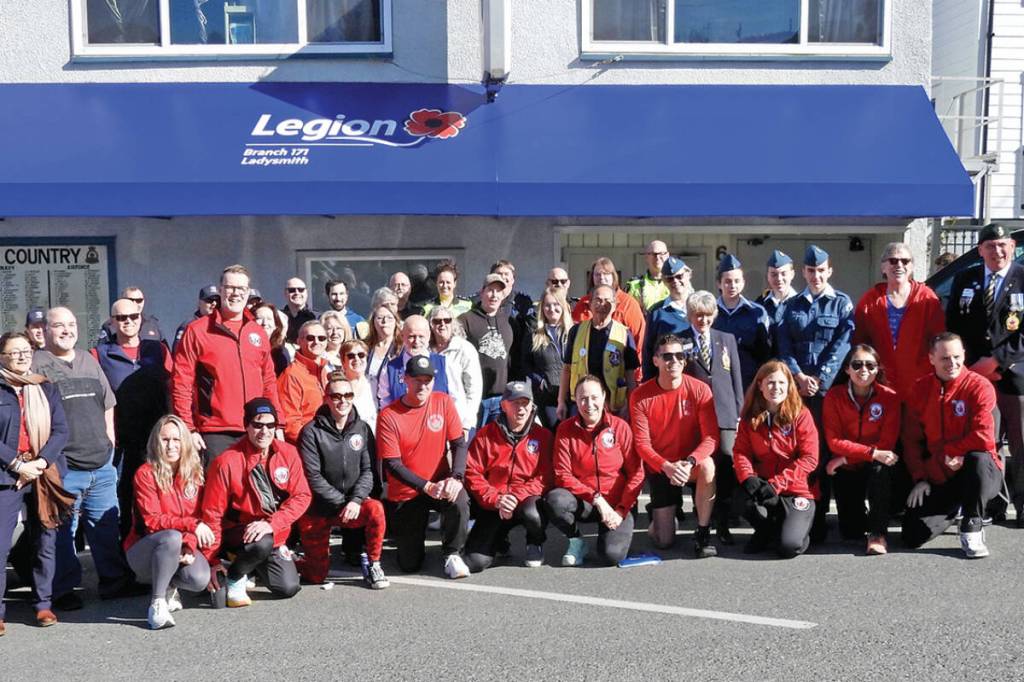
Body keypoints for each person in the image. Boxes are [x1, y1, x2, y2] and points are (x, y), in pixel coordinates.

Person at [33, 307, 138, 609]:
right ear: (46, 330)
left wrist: (109, 443)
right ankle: (63, 589)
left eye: (71, 324)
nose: (66, 330)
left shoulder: (88, 360)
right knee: (63, 532)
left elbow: (108, 405)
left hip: (101, 463)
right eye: (59, 326)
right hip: (64, 465)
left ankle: (115, 583)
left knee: (106, 526)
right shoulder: (38, 364)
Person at [945, 223, 1024, 525]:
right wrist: (972, 366)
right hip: (976, 376)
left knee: (1020, 443)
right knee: (987, 443)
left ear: (1012, 247)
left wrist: (996, 361)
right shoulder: (965, 278)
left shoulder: (1022, 278)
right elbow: (953, 324)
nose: (997, 251)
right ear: (980, 250)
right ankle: (993, 504)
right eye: (990, 246)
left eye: (1003, 245)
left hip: (1015, 376)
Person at [776, 244, 854, 542]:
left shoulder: (842, 304)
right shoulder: (791, 305)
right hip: (797, 393)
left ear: (829, 271)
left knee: (822, 453)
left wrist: (819, 380)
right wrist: (797, 376)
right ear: (804, 272)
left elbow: (843, 345)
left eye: (821, 270)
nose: (816, 276)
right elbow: (783, 346)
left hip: (826, 394)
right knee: (796, 451)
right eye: (811, 271)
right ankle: (798, 510)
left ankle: (820, 517)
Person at [901, 333, 1004, 557]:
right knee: (911, 535)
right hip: (941, 472)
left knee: (977, 457)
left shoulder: (979, 386)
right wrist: (920, 478)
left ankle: (972, 525)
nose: (952, 363)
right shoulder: (920, 389)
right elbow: (910, 440)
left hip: (979, 471)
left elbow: (983, 437)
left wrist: (954, 452)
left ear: (964, 355)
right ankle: (957, 506)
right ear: (931, 359)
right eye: (945, 358)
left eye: (957, 357)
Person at [201, 398, 311, 606]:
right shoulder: (226, 462)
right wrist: (211, 560)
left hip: (272, 530)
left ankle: (248, 565)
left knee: (288, 587)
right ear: (246, 426)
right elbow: (212, 514)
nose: (264, 431)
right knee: (261, 543)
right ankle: (235, 575)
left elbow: (302, 496)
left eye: (270, 425)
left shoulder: (288, 453)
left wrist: (272, 523)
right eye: (258, 425)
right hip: (237, 532)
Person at [172, 264, 283, 463]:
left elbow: (268, 382)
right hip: (214, 433)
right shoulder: (197, 331)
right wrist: (188, 428)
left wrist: (278, 424)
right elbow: (182, 383)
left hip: (256, 429)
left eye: (241, 289)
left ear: (248, 292)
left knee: (255, 493)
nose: (235, 293)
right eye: (230, 287)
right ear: (220, 290)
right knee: (217, 493)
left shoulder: (256, 332)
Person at [376, 356, 471, 577]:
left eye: (427, 380)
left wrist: (456, 477)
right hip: (407, 491)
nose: (423, 385)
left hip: (439, 483)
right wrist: (425, 486)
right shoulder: (388, 415)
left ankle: (452, 553)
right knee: (409, 564)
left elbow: (459, 443)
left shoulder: (443, 402)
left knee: (459, 498)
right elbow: (392, 464)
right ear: (404, 380)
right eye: (416, 380)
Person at [0, 331, 68, 633]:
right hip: (6, 475)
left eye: (26, 350)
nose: (21, 356)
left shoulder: (45, 387)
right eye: (14, 352)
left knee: (45, 541)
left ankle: (43, 605)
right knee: (1, 545)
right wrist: (17, 465)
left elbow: (61, 430)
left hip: (43, 474)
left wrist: (40, 463)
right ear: (1, 357)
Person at [630, 335, 720, 556]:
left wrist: (690, 462)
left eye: (680, 356)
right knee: (663, 541)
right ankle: (660, 516)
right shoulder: (640, 396)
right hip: (662, 467)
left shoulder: (700, 390)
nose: (674, 361)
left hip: (690, 464)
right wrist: (667, 466)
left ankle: (703, 531)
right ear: (655, 360)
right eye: (667, 356)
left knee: (708, 465)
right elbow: (642, 444)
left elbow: (711, 438)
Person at [296, 375, 388, 589]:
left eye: (348, 395)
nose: (343, 401)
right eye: (336, 396)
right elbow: (313, 477)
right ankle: (289, 561)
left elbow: (368, 470)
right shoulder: (310, 432)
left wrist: (355, 500)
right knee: (316, 576)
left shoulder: (362, 428)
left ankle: (373, 563)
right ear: (326, 398)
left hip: (351, 506)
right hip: (318, 509)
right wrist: (342, 502)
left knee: (376, 509)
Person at [92, 297, 173, 540]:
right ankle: (126, 554)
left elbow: (171, 388)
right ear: (112, 322)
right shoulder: (100, 354)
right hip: (123, 442)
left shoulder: (157, 349)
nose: (127, 322)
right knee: (123, 498)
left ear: (141, 318)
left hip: (157, 439)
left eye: (133, 317)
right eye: (121, 318)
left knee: (161, 496)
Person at [125, 415, 213, 629]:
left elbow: (200, 516)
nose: (171, 445)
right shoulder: (145, 474)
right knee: (171, 537)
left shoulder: (194, 473)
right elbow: (152, 521)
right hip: (144, 548)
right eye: (165, 440)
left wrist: (190, 544)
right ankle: (157, 603)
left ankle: (170, 584)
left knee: (199, 579)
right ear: (156, 442)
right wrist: (190, 528)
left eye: (177, 439)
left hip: (180, 543)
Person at [546, 375, 643, 566]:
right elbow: (562, 474)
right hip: (588, 503)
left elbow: (637, 473)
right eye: (582, 398)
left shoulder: (620, 427)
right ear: (575, 400)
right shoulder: (565, 429)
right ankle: (576, 540)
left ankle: (615, 533)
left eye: (594, 397)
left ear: (604, 397)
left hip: (617, 505)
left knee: (611, 556)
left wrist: (622, 510)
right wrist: (596, 499)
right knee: (555, 500)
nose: (588, 404)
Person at [464, 381, 553, 571]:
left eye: (525, 403)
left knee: (533, 512)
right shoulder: (485, 435)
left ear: (532, 406)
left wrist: (515, 496)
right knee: (475, 562)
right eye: (515, 403)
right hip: (494, 504)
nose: (521, 409)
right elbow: (472, 473)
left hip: (525, 501)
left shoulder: (543, 436)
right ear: (503, 405)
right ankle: (500, 542)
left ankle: (534, 543)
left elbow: (546, 476)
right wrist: (496, 499)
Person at [733, 361, 819, 559]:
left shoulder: (802, 415)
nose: (776, 388)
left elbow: (810, 458)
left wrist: (777, 484)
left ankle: (794, 529)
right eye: (770, 383)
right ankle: (766, 531)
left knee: (789, 547)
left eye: (781, 383)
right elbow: (740, 452)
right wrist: (748, 477)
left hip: (794, 489)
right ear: (760, 385)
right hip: (764, 487)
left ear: (789, 386)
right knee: (739, 498)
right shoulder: (750, 417)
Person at [822, 345, 901, 555]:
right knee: (851, 532)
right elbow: (834, 441)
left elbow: (887, 443)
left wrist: (847, 459)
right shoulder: (833, 396)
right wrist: (864, 455)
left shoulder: (890, 397)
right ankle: (863, 518)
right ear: (847, 369)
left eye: (870, 365)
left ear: (877, 369)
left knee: (881, 467)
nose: (863, 370)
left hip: (872, 464)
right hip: (850, 466)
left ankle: (878, 534)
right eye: (857, 365)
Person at [679, 292, 744, 543]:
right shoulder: (682, 341)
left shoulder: (725, 339)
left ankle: (724, 522)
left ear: (714, 315)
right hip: (696, 415)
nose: (702, 320)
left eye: (707, 315)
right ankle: (702, 519)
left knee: (726, 465)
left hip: (726, 414)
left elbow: (736, 378)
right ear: (690, 316)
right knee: (701, 466)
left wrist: (738, 413)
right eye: (698, 315)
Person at [853, 243, 944, 400]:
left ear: (912, 266)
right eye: (893, 261)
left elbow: (938, 340)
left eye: (905, 261)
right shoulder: (870, 301)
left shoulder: (927, 298)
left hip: (919, 383)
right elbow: (860, 343)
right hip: (881, 383)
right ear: (883, 267)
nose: (899, 265)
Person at [557, 285, 639, 420]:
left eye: (608, 300)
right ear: (590, 303)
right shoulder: (576, 331)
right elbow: (567, 369)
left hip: (613, 406)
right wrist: (561, 401)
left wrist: (629, 404)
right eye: (598, 300)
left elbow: (630, 375)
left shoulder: (624, 333)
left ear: (615, 305)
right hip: (581, 404)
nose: (602, 304)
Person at [460, 274, 514, 427]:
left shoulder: (508, 321)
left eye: (498, 291)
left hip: (501, 398)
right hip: (475, 398)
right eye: (490, 290)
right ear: (482, 292)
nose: (494, 295)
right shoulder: (465, 320)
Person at [714, 254, 771, 391]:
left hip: (749, 381)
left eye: (736, 281)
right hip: (718, 381)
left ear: (743, 283)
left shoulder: (757, 312)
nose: (732, 285)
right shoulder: (710, 312)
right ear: (719, 283)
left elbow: (764, 352)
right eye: (727, 281)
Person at [572, 257, 647, 351]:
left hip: (620, 362)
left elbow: (640, 340)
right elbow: (574, 337)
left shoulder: (628, 304)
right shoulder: (583, 303)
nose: (601, 278)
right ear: (592, 278)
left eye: (606, 274)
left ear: (613, 276)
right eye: (597, 274)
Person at [428, 306, 482, 435]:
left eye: (447, 320)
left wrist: (467, 422)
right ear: (430, 324)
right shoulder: (425, 349)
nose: (442, 324)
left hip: (458, 417)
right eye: (436, 321)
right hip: (429, 417)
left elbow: (474, 388)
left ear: (453, 323)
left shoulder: (464, 348)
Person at [377, 315, 449, 408]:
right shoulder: (390, 369)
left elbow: (456, 400)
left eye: (421, 336)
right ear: (402, 336)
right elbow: (384, 401)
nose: (416, 341)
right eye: (411, 336)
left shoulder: (444, 364)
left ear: (429, 336)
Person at [523, 288, 571, 428]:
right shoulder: (534, 335)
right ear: (542, 308)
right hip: (547, 397)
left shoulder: (574, 332)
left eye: (556, 304)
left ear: (563, 306)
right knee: (552, 433)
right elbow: (525, 363)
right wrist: (540, 381)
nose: (552, 309)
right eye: (547, 305)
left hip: (572, 395)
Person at [277, 320, 329, 445]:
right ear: (299, 341)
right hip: (308, 447)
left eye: (321, 338)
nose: (316, 342)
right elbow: (291, 424)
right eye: (310, 338)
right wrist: (314, 445)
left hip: (327, 443)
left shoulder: (325, 371)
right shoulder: (291, 375)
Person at [643, 256, 693, 380]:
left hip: (699, 381)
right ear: (664, 282)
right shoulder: (657, 312)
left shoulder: (702, 305)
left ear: (688, 275)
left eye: (679, 276)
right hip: (669, 381)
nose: (675, 281)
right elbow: (649, 352)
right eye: (670, 279)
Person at [97, 286, 164, 345]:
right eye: (130, 300)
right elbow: (101, 353)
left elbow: (165, 353)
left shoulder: (153, 324)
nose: (135, 304)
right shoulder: (110, 325)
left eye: (139, 300)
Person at [338, 339, 378, 435]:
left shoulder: (375, 382)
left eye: (361, 355)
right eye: (351, 356)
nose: (357, 359)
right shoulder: (337, 386)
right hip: (347, 439)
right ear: (343, 361)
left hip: (373, 438)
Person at [366, 302, 401, 403]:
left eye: (389, 318)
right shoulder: (365, 347)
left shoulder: (402, 349)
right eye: (380, 318)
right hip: (369, 403)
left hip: (392, 404)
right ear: (373, 322)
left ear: (396, 322)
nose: (385, 321)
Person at [755, 250, 798, 326]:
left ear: (792, 274)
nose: (779, 279)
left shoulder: (801, 302)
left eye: (783, 274)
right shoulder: (760, 303)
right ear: (767, 276)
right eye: (773, 274)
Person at [625, 240, 671, 311]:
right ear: (646, 257)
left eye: (661, 253)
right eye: (654, 254)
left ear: (667, 255)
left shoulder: (677, 283)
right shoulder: (634, 285)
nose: (658, 257)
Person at [173, 285, 219, 353]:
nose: (214, 303)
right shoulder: (188, 326)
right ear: (199, 303)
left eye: (217, 300)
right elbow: (177, 352)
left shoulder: (221, 325)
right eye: (210, 300)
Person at [251, 302, 291, 376]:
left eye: (269, 319)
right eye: (259, 318)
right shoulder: (245, 348)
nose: (264, 323)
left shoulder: (281, 353)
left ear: (276, 325)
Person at [282, 277, 318, 345]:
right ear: (285, 293)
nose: (297, 292)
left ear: (306, 293)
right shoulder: (278, 317)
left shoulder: (315, 317)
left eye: (301, 290)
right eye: (292, 290)